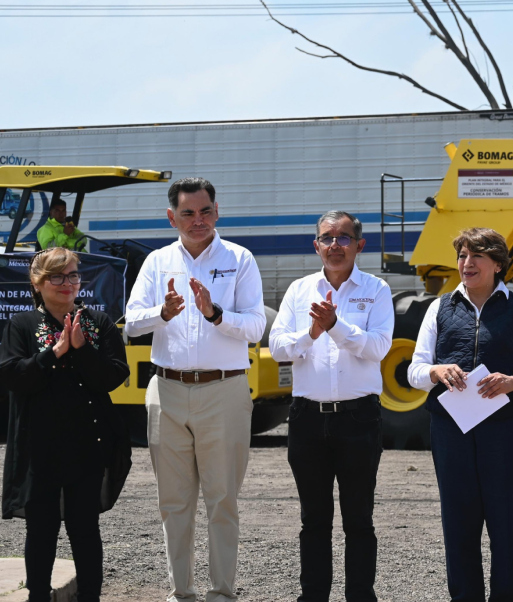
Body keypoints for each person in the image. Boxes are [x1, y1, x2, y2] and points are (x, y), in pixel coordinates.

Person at [125, 177, 266, 602]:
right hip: (166, 391)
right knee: (173, 501)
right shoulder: (157, 262)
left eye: (205, 211)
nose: (198, 220)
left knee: (222, 500)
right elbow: (131, 322)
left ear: (217, 212)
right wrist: (162, 312)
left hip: (224, 390)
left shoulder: (239, 259)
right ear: (172, 217)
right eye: (188, 213)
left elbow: (257, 326)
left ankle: (221, 593)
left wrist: (216, 313)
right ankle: (180, 593)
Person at [407, 227, 513, 602]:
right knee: (458, 526)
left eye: (476, 257)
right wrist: (436, 372)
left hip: (504, 434)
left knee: (504, 526)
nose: (466, 264)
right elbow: (414, 370)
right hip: (450, 432)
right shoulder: (440, 308)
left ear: (497, 264)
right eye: (462, 256)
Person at [269, 211, 394, 602]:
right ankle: (314, 597)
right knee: (314, 521)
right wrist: (312, 332)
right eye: (327, 238)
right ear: (316, 245)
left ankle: (360, 596)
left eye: (343, 238)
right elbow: (277, 349)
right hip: (308, 418)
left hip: (359, 417)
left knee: (359, 521)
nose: (335, 245)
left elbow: (378, 347)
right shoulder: (299, 290)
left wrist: (336, 326)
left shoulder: (376, 289)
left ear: (360, 244)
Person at [0, 247, 131, 602]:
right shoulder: (22, 325)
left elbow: (115, 375)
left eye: (72, 275)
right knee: (41, 531)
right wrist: (53, 353)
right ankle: (37, 596)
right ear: (37, 283)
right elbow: (13, 376)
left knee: (85, 530)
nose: (67, 283)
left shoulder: (98, 322)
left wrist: (82, 349)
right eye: (56, 276)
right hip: (39, 448)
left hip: (87, 445)